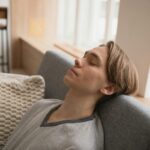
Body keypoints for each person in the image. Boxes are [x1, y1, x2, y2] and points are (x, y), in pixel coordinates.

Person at [3, 41, 139, 150]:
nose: (78, 60)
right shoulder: (42, 105)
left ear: (108, 88)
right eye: (84, 56)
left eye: (92, 62)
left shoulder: (78, 144)